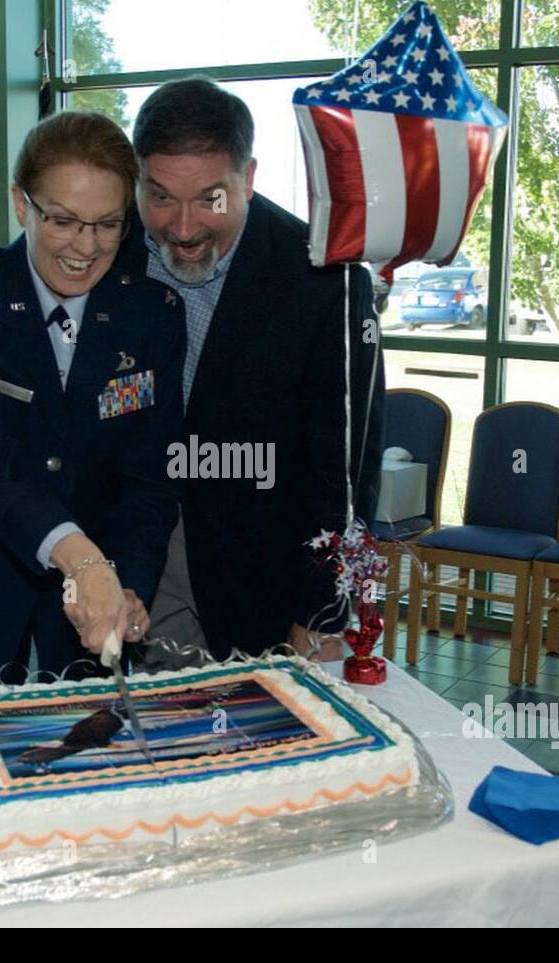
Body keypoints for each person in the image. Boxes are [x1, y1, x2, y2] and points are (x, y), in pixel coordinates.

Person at [0, 110, 186, 687]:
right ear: (20, 204)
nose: (86, 246)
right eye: (63, 220)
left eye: (108, 225)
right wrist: (81, 558)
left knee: (88, 750)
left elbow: (150, 477)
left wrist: (125, 583)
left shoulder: (151, 314)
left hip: (101, 591)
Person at [117, 77, 384, 665]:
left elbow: (342, 473)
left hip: (260, 578)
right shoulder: (109, 250)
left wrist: (318, 615)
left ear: (250, 177)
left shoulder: (325, 280)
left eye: (210, 199)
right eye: (160, 197)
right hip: (127, 565)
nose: (183, 227)